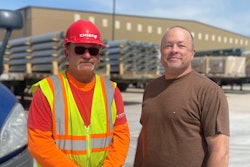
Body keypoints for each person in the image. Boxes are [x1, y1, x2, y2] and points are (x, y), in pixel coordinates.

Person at [27, 20, 130, 167]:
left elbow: (121, 136)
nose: (87, 55)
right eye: (80, 49)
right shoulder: (47, 91)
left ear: (99, 55)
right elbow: (39, 142)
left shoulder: (112, 91)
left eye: (93, 50)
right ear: (67, 53)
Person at [134, 26, 229, 167]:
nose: (174, 50)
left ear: (192, 53)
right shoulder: (151, 88)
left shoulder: (209, 91)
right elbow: (144, 137)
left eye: (181, 45)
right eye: (168, 46)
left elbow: (220, 151)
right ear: (161, 52)